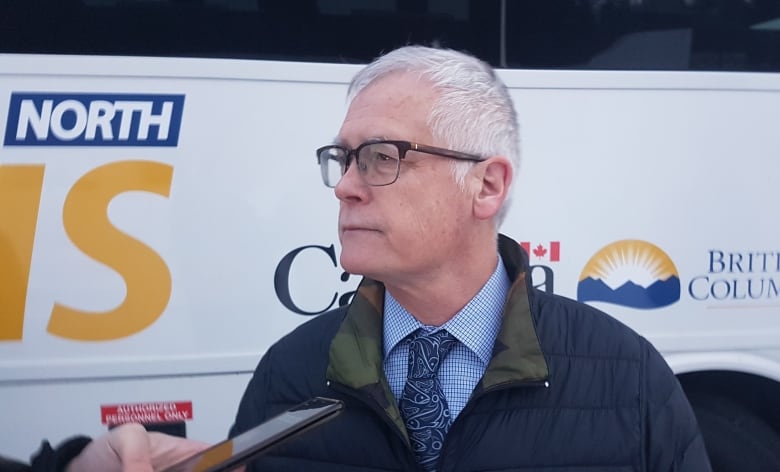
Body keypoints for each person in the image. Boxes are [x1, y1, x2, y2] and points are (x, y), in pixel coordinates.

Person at [27, 45, 711, 471]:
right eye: (343, 158)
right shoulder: (290, 374)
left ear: (488, 184)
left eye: (383, 157)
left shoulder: (630, 381)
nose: (347, 185)